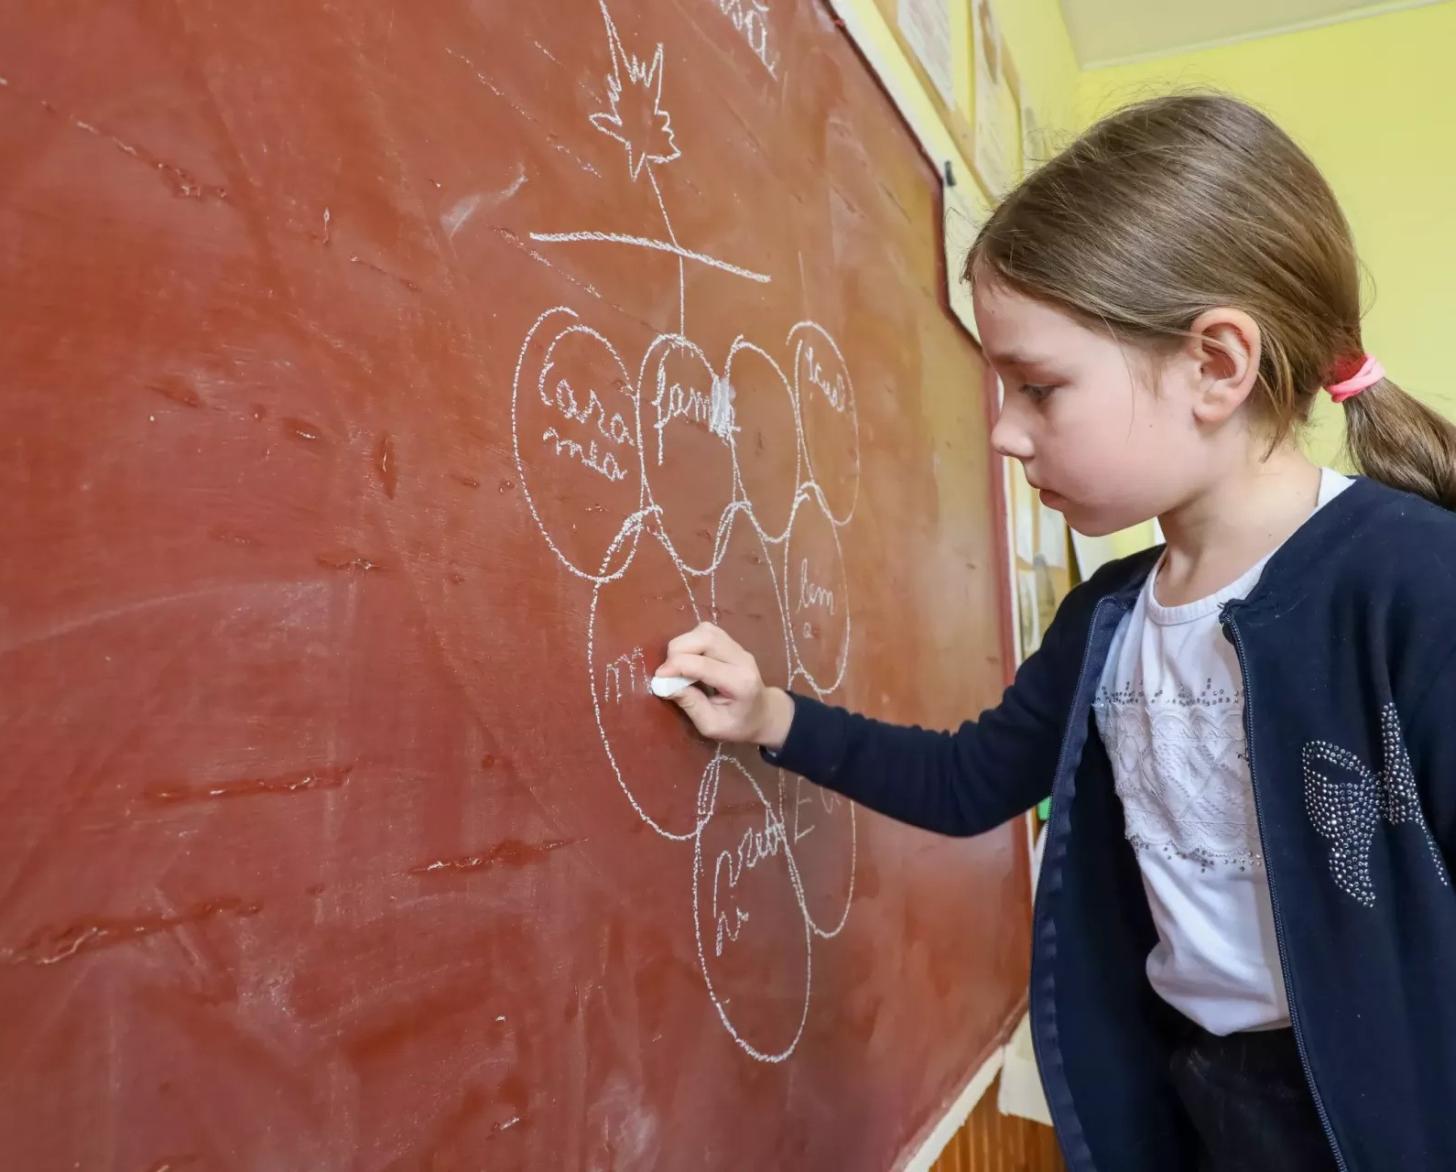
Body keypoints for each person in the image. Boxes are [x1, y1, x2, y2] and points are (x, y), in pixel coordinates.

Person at [654, 94, 1456, 1171]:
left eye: (1039, 387)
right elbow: (970, 779)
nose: (1001, 431)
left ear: (1215, 365)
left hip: (1385, 1115)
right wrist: (771, 716)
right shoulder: (1112, 614)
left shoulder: (1410, 578)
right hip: (1197, 1101)